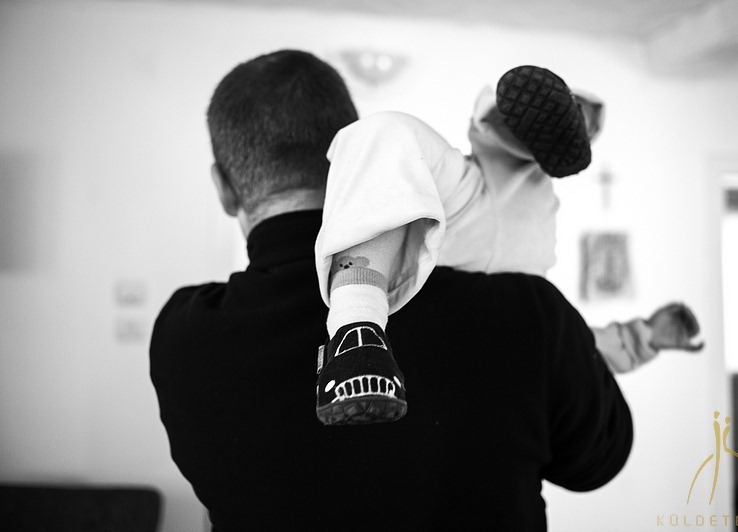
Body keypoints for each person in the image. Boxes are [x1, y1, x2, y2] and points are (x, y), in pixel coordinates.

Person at [149, 49, 634, 531]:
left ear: (224, 188)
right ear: (348, 159)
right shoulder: (525, 308)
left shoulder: (183, 336)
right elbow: (596, 461)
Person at [315, 66, 704, 424]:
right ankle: (356, 335)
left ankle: (354, 332)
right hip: (485, 210)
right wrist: (640, 340)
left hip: (511, 234)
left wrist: (642, 338)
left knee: (390, 131)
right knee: (388, 132)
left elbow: (570, 345)